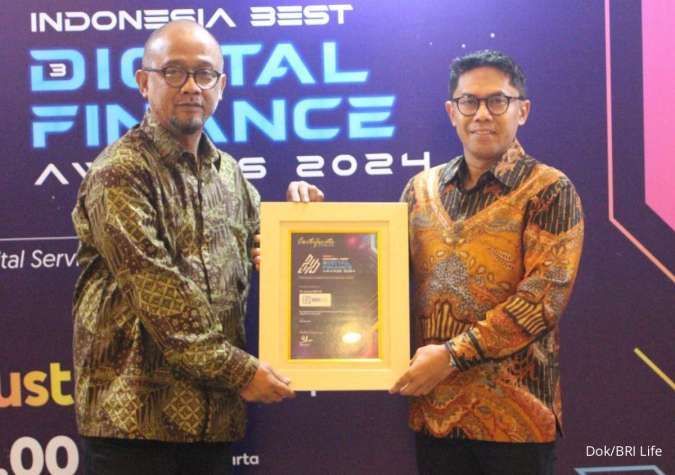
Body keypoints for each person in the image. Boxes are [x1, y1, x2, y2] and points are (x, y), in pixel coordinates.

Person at [71, 20, 321, 475]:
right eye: (173, 72)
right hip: (132, 429)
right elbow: (161, 297)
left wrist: (303, 226)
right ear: (144, 82)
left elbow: (273, 254)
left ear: (220, 86)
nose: (191, 86)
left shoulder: (231, 176)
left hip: (213, 426)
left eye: (204, 74)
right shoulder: (120, 173)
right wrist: (241, 373)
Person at [389, 50, 584, 475]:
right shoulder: (419, 190)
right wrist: (313, 238)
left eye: (497, 101)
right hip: (435, 415)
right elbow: (380, 276)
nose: (481, 114)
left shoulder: (549, 190)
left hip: (516, 421)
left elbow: (541, 301)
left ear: (522, 110)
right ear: (451, 111)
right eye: (469, 101)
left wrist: (451, 356)